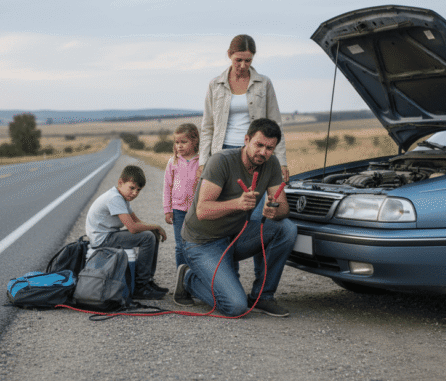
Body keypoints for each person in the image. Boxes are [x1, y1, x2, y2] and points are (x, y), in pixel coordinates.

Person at [174, 118, 297, 317]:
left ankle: (263, 297)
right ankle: (189, 278)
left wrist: (275, 210)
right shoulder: (221, 161)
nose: (263, 152)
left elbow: (282, 207)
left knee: (287, 228)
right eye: (259, 145)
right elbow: (202, 210)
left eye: (269, 148)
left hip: (236, 236)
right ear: (246, 139)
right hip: (203, 242)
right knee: (236, 307)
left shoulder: (271, 164)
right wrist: (237, 204)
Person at [199, 34, 289, 183]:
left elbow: (276, 124)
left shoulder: (264, 83)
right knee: (224, 201)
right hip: (222, 151)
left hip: (256, 151)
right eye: (238, 60)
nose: (243, 65)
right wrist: (203, 161)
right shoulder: (215, 84)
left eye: (248, 60)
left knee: (254, 198)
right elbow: (207, 126)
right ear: (229, 54)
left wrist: (282, 162)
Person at [85, 164, 168, 300]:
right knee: (147, 237)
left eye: (138, 190)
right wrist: (156, 226)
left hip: (109, 235)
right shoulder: (115, 198)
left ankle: (147, 281)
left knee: (151, 233)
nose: (135, 193)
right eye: (132, 188)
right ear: (120, 182)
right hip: (102, 240)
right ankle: (140, 287)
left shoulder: (122, 197)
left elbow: (137, 221)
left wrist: (155, 228)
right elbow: (133, 228)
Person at [163, 123, 200, 271]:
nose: (179, 146)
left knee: (195, 244)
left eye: (183, 142)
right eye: (177, 142)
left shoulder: (201, 161)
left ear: (195, 141)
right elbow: (167, 186)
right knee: (180, 245)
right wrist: (167, 209)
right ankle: (181, 276)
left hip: (196, 210)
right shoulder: (173, 162)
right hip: (178, 209)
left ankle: (195, 274)